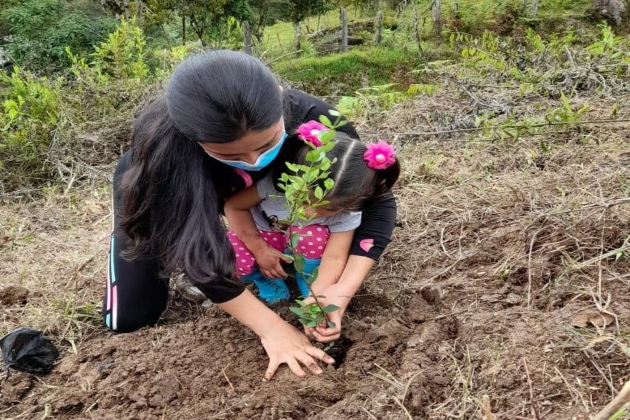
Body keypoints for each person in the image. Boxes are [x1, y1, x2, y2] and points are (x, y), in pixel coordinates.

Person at [104, 50, 398, 380]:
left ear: (278, 100)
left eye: (267, 143)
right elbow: (197, 249)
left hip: (257, 201)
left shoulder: (314, 122)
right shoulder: (166, 156)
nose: (255, 161)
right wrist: (273, 329)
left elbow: (373, 201)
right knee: (130, 317)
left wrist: (341, 290)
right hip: (170, 188)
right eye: (230, 153)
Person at [224, 127, 399, 308]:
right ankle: (266, 277)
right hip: (263, 235)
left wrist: (318, 295)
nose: (308, 213)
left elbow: (334, 258)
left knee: (312, 236)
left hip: (303, 243)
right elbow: (234, 207)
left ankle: (307, 280)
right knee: (230, 256)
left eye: (326, 210)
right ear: (291, 179)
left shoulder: (347, 211)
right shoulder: (275, 185)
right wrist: (259, 249)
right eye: (301, 199)